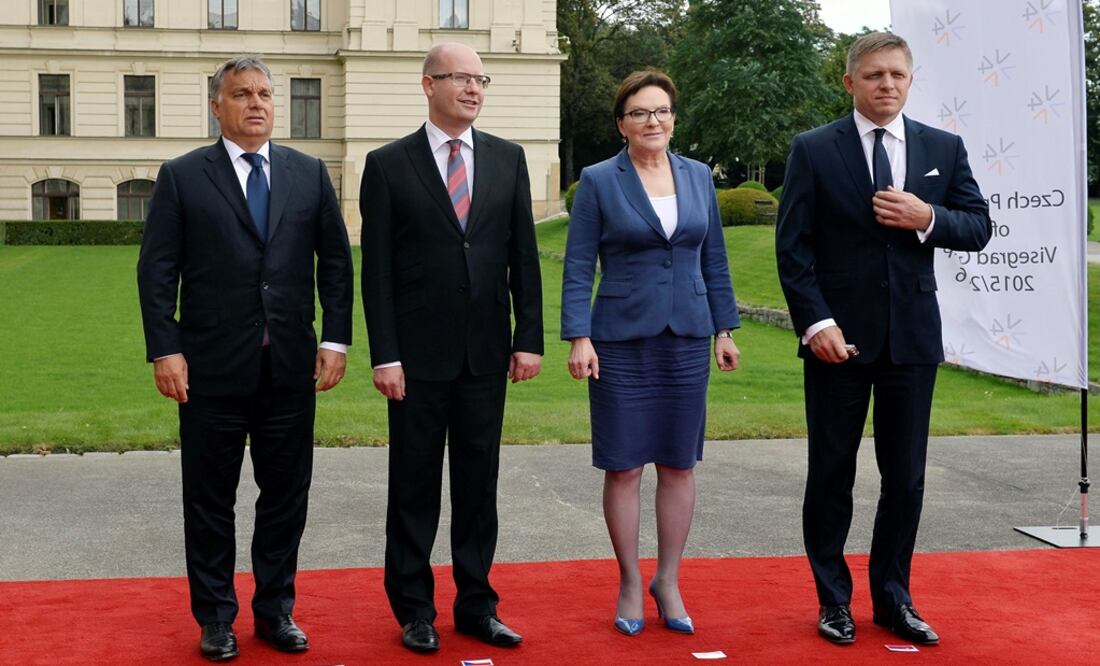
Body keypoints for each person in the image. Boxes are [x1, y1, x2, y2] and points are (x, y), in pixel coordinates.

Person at [775, 32, 992, 647]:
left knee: (907, 479)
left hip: (912, 342)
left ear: (911, 79)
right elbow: (794, 250)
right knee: (831, 475)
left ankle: (894, 600)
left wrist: (928, 218)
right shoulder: (813, 150)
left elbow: (978, 226)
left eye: (897, 74)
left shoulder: (942, 148)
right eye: (873, 75)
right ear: (849, 82)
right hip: (836, 343)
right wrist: (816, 323)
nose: (887, 84)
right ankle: (833, 601)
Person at [137, 55, 354, 661]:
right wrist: (165, 349)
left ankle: (275, 610)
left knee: (285, 496)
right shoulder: (182, 176)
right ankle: (215, 618)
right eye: (241, 94)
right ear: (217, 106)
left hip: (289, 367)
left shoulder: (308, 174)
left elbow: (335, 265)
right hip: (209, 369)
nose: (256, 103)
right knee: (209, 499)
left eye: (264, 93)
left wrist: (335, 340)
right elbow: (157, 272)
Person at [359, 42, 543, 654]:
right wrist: (384, 353)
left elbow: (523, 257)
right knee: (412, 488)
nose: (473, 88)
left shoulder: (508, 159)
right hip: (414, 360)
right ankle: (414, 609)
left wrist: (529, 339)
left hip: (487, 355)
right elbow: (376, 272)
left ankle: (477, 605)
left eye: (480, 79)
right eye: (460, 78)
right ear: (427, 84)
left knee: (477, 488)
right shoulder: (387, 165)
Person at [561, 70, 741, 637]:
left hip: (687, 336)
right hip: (618, 340)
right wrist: (579, 335)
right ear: (622, 123)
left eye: (661, 111)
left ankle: (668, 579)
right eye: (639, 113)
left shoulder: (697, 177)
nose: (652, 121)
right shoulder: (597, 180)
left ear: (673, 118)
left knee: (678, 463)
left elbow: (713, 258)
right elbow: (577, 263)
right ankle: (631, 582)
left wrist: (725, 329)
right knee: (623, 465)